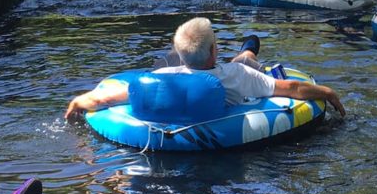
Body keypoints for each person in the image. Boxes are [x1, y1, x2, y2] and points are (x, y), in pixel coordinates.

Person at [65, 17, 345, 118]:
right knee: (246, 57)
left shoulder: (163, 78)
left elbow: (103, 99)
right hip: (236, 73)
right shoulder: (239, 76)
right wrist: (327, 92)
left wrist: (78, 102)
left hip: (193, 73)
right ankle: (249, 45)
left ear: (179, 55)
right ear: (214, 50)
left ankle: (246, 47)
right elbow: (291, 88)